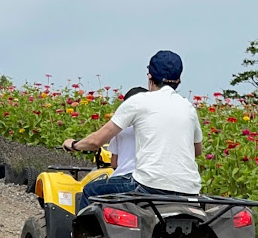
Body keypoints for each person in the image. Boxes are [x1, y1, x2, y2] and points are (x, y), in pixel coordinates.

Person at [66, 51, 203, 210]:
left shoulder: (139, 101)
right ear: (179, 80)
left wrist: (74, 144)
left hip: (148, 186)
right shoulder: (188, 108)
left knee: (91, 190)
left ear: (149, 77)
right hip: (189, 191)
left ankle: (81, 235)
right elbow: (197, 151)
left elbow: (96, 141)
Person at [76, 86, 146, 210]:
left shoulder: (120, 131)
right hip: (151, 182)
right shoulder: (153, 132)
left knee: (89, 190)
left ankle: (80, 229)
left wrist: (73, 145)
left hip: (127, 180)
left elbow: (114, 163)